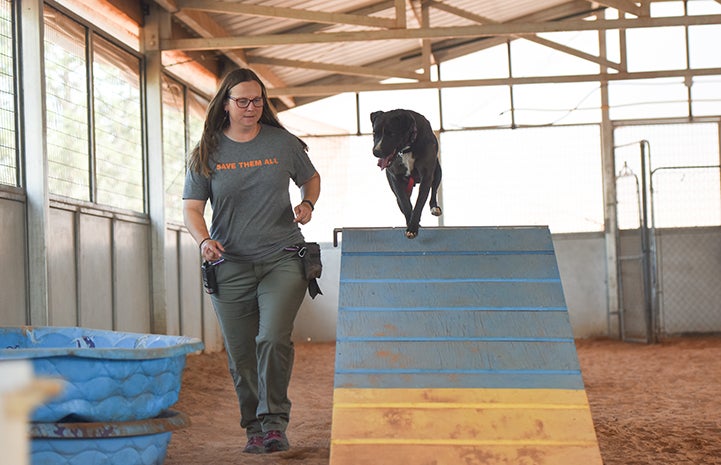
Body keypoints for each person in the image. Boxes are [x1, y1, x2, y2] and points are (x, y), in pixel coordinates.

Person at [182, 68, 320, 454]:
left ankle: (275, 422)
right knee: (242, 355)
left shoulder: (282, 143)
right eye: (241, 100)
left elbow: (311, 178)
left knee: (272, 338)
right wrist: (204, 240)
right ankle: (254, 427)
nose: (251, 107)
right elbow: (192, 208)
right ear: (224, 104)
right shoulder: (207, 152)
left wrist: (307, 202)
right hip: (229, 265)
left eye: (257, 100)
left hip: (283, 258)